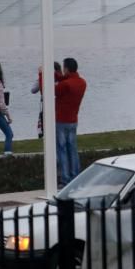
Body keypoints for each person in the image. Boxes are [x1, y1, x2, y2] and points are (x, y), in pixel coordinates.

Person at [55, 57, 87, 187]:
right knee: (72, 149)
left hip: (61, 120)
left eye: (63, 69)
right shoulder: (82, 82)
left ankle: (65, 178)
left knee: (62, 149)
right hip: (73, 120)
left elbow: (47, 89)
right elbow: (66, 80)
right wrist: (56, 74)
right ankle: (75, 175)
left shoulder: (65, 84)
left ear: (67, 69)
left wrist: (42, 75)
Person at [30, 61, 62, 139]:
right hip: (56, 105)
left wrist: (41, 76)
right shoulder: (61, 79)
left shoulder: (47, 79)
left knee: (46, 122)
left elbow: (34, 90)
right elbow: (33, 90)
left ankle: (45, 136)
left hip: (48, 105)